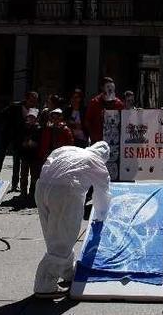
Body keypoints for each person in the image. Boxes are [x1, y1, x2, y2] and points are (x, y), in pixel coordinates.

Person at [33, 141, 111, 299]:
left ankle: (67, 271)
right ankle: (45, 285)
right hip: (67, 191)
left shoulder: (67, 149)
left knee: (53, 234)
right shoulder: (97, 162)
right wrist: (100, 216)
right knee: (64, 236)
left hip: (42, 187)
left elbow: (50, 159)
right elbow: (102, 193)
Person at [0, 91, 39, 192]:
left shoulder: (34, 110)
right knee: (1, 156)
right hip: (7, 135)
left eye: (35, 100)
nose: (33, 102)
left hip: (18, 138)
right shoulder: (15, 106)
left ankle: (14, 184)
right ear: (26, 99)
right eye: (31, 100)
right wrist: (8, 126)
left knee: (17, 160)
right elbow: (2, 114)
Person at [32, 108, 74, 197]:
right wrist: (43, 154)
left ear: (60, 118)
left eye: (57, 117)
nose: (55, 120)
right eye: (53, 117)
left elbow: (70, 143)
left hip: (61, 155)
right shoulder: (48, 129)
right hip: (49, 155)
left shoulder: (65, 129)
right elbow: (44, 142)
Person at [85, 77, 124, 144]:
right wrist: (93, 136)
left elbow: (125, 120)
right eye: (108, 86)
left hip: (114, 142)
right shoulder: (95, 102)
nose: (110, 89)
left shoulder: (119, 104)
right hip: (98, 142)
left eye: (112, 87)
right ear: (102, 88)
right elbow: (87, 121)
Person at [19, 108, 41, 201]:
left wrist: (33, 143)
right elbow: (20, 139)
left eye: (33, 117)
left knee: (34, 176)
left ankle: (32, 193)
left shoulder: (38, 129)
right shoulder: (24, 127)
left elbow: (39, 141)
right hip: (25, 155)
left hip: (34, 155)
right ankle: (23, 192)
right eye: (29, 117)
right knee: (23, 175)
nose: (30, 119)